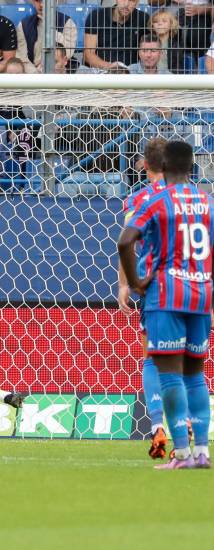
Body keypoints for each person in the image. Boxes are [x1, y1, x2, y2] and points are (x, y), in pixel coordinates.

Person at [118, 140, 213, 469]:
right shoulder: (206, 202)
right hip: (202, 294)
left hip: (166, 293)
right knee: (197, 375)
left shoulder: (156, 200)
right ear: (190, 167)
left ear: (161, 164)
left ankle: (182, 453)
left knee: (170, 374)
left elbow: (126, 240)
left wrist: (133, 282)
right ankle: (203, 452)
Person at [118, 138, 169, 459]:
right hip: (192, 286)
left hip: (153, 287)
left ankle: (157, 426)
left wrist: (124, 283)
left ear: (144, 165)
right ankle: (188, 425)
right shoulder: (197, 198)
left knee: (152, 358)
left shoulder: (138, 199)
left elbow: (127, 243)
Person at [82, 0, 150, 71]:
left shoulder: (143, 18)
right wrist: (110, 67)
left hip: (131, 73)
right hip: (101, 71)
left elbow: (151, 49)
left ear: (137, 3)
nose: (126, 4)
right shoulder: (97, 16)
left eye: (131, 0)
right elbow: (88, 54)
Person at [14, 0, 77, 74]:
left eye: (45, 1)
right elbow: (22, 58)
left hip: (58, 72)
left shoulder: (68, 22)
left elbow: (67, 53)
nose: (41, 5)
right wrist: (36, 73)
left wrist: (48, 25)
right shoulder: (23, 25)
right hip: (33, 73)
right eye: (38, 1)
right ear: (33, 2)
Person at [148, 10, 185, 74]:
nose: (159, 23)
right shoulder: (147, 44)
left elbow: (177, 69)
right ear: (152, 26)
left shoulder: (176, 45)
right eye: (156, 22)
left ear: (171, 25)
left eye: (164, 21)